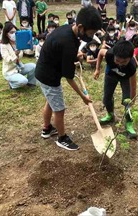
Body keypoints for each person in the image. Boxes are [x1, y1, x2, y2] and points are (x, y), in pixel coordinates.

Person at [35, 6, 101, 150]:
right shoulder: (67, 42)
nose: (91, 37)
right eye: (91, 33)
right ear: (81, 27)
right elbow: (69, 77)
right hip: (49, 77)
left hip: (42, 70)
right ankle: (62, 137)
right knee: (59, 109)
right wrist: (83, 97)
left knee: (50, 101)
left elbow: (64, 52)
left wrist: (74, 55)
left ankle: (46, 129)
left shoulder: (68, 30)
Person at [94, 40, 138, 139]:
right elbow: (101, 53)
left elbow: (133, 86)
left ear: (130, 58)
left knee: (127, 101)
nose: (120, 64)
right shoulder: (109, 53)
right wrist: (97, 69)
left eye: (124, 62)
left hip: (125, 78)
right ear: (114, 55)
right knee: (106, 98)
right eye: (117, 60)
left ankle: (129, 123)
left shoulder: (131, 66)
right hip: (111, 75)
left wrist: (132, 99)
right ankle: (110, 115)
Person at [0, 22, 37, 89]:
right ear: (6, 34)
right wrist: (16, 53)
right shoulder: (3, 46)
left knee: (33, 66)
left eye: (15, 32)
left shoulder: (19, 42)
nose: (14, 34)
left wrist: (30, 45)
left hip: (19, 68)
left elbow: (28, 52)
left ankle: (31, 83)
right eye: (11, 32)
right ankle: (12, 85)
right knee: (23, 81)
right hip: (10, 71)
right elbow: (8, 59)